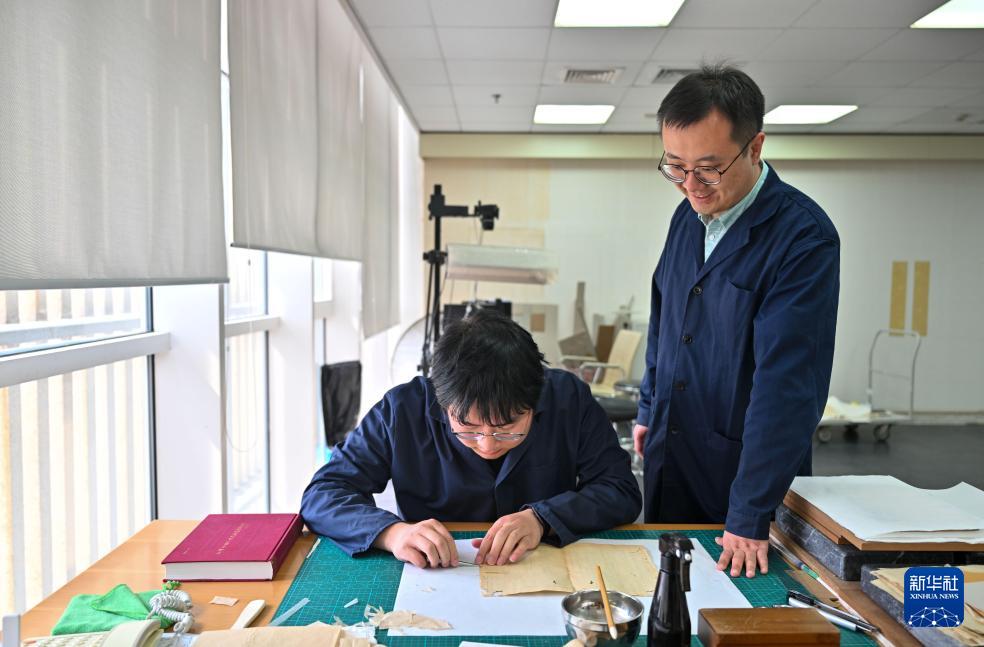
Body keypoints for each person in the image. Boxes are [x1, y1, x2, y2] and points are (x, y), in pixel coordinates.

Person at [633, 65, 839, 578]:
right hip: (670, 450)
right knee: (666, 594)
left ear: (755, 147)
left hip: (743, 476)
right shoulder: (687, 217)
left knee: (737, 606)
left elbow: (788, 387)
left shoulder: (802, 238)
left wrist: (750, 511)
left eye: (708, 169)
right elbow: (664, 316)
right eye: (675, 167)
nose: (690, 186)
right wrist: (648, 407)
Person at [302, 308, 641, 569]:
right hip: (437, 577)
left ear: (536, 400)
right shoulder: (401, 410)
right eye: (467, 427)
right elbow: (324, 494)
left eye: (507, 427)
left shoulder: (569, 399)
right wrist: (393, 533)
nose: (487, 444)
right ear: (442, 401)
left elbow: (620, 489)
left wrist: (543, 519)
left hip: (543, 569)